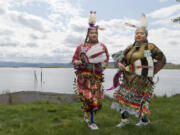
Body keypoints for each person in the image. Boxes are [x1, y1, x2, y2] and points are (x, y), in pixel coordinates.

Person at [111, 14, 166, 127]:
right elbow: (120, 59)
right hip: (127, 80)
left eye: (141, 33)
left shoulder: (150, 47)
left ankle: (144, 121)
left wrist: (152, 72)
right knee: (122, 98)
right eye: (137, 33)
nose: (138, 35)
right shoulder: (129, 48)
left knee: (143, 101)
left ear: (146, 35)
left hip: (143, 81)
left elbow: (162, 59)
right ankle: (125, 120)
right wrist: (120, 64)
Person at [72, 11, 109, 130]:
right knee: (88, 98)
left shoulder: (102, 47)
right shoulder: (81, 47)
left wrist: (103, 65)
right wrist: (77, 62)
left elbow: (106, 58)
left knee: (96, 101)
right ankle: (91, 122)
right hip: (83, 78)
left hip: (96, 78)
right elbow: (74, 59)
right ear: (88, 34)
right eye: (92, 32)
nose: (94, 34)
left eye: (95, 33)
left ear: (98, 34)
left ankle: (87, 115)